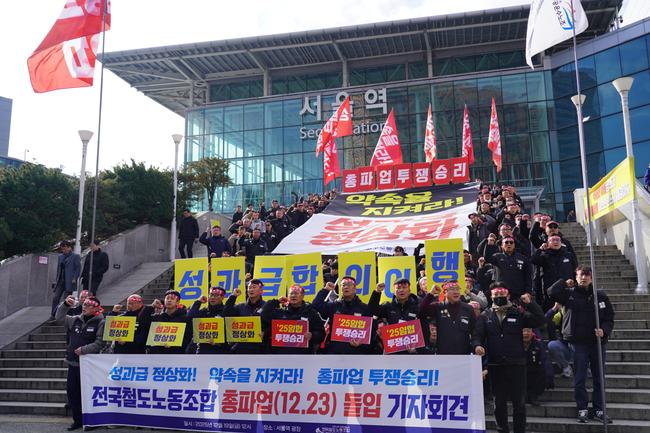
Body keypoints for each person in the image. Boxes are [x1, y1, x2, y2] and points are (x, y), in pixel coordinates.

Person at [472, 284, 545, 433]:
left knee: (519, 403)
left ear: (508, 295)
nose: (499, 297)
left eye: (502, 294)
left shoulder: (518, 312)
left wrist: (530, 304)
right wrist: (477, 346)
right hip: (496, 365)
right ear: (491, 297)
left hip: (517, 364)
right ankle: (502, 430)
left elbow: (539, 320)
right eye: (496, 295)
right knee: (499, 404)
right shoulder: (486, 315)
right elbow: (477, 335)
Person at [550, 266, 615, 424]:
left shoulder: (600, 296)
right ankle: (582, 408)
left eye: (587, 275)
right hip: (578, 344)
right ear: (576, 277)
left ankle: (599, 409)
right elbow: (551, 292)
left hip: (597, 343)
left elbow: (609, 317)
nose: (584, 278)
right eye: (581, 275)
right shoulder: (569, 294)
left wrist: (604, 330)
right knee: (579, 378)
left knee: (599, 378)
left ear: (591, 278)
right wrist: (563, 282)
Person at [55, 294, 104, 431]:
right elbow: (59, 318)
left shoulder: (101, 322)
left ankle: (91, 421)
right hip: (73, 363)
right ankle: (78, 421)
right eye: (84, 304)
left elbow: (100, 342)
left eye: (88, 305)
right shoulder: (75, 319)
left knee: (87, 394)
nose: (84, 306)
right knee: (73, 393)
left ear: (96, 309)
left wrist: (84, 349)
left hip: (89, 365)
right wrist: (65, 304)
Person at [312, 277, 381, 354]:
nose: (346, 287)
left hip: (356, 353)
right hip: (335, 353)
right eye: (343, 285)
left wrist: (362, 343)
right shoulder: (334, 306)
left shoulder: (363, 308)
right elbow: (316, 305)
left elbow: (371, 330)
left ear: (355, 288)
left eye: (349, 285)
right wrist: (325, 290)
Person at [261, 284, 325, 354]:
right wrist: (276, 301)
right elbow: (264, 313)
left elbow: (321, 333)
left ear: (302, 295)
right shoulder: (281, 312)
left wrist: (312, 335)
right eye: (291, 294)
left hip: (302, 355)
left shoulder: (311, 313)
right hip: (280, 354)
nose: (293, 296)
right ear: (288, 296)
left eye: (296, 293)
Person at [374, 278, 430, 354]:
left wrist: (418, 349)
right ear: (394, 291)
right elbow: (372, 311)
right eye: (398, 288)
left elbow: (425, 328)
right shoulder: (388, 306)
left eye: (404, 287)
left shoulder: (418, 306)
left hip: (413, 353)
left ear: (409, 290)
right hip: (393, 352)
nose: (401, 290)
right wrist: (377, 292)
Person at [420, 281, 476, 355]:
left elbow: (475, 331)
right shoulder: (438, 307)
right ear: (445, 292)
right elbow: (421, 311)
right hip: (443, 354)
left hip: (464, 355)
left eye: (457, 289)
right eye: (452, 289)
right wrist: (431, 294)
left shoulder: (468, 308)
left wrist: (476, 346)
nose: (456, 292)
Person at [223, 279, 267, 354]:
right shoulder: (240, 307)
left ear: (261, 291)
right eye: (249, 288)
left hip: (260, 348)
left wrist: (265, 333)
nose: (251, 290)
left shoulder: (266, 306)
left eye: (254, 287)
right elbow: (226, 313)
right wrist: (233, 296)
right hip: (241, 348)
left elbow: (271, 324)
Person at [187, 287, 229, 354]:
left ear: (222, 297)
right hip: (202, 350)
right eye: (211, 295)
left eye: (216, 295)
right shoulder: (204, 311)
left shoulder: (226, 312)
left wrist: (219, 343)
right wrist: (198, 302)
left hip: (221, 352)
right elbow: (190, 317)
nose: (212, 297)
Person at [51, 240, 81, 319]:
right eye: (62, 249)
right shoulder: (60, 256)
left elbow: (78, 268)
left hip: (70, 281)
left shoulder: (75, 256)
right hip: (60, 280)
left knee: (67, 299)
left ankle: (64, 316)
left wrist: (75, 278)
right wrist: (56, 279)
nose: (63, 251)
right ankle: (53, 314)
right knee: (55, 297)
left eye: (64, 249)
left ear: (69, 247)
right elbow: (58, 269)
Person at [523, 328, 553, 406]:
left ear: (532, 333)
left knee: (542, 371)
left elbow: (545, 359)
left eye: (528, 331)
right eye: (524, 331)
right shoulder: (515, 344)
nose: (526, 333)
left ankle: (533, 395)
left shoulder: (538, 344)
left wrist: (549, 375)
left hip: (533, 371)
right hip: (519, 371)